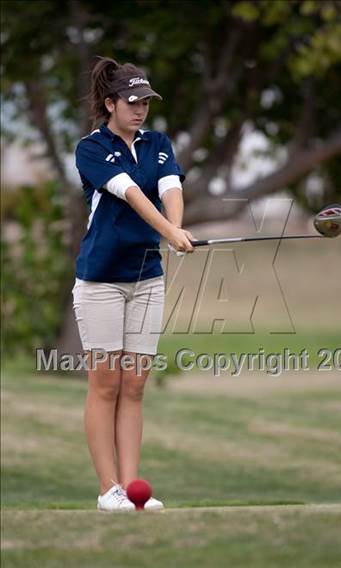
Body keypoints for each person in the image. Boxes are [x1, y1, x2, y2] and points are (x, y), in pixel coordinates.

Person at [73, 56, 194, 511]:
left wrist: (176, 230)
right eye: (132, 100)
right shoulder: (91, 148)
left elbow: (169, 189)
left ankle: (133, 489)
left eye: (145, 101)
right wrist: (170, 232)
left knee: (135, 383)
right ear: (110, 103)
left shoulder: (158, 142)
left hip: (146, 279)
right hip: (101, 280)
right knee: (105, 382)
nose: (141, 108)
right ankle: (109, 491)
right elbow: (131, 193)